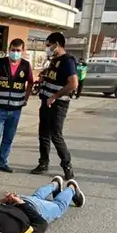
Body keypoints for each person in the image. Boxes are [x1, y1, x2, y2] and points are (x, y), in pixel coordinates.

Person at [0, 38, 34, 175]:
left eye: (18, 50)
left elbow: (31, 83)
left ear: (22, 51)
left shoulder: (26, 66)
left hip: (16, 109)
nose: (15, 53)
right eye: (13, 50)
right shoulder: (0, 63)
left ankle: (2, 162)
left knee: (8, 138)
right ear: (9, 50)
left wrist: (26, 99)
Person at [31, 32, 78, 180]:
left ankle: (67, 166)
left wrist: (54, 96)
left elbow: (73, 83)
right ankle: (43, 162)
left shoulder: (68, 61)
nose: (47, 48)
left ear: (57, 44)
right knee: (43, 134)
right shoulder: (53, 60)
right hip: (45, 102)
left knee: (56, 135)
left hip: (58, 104)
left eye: (48, 45)